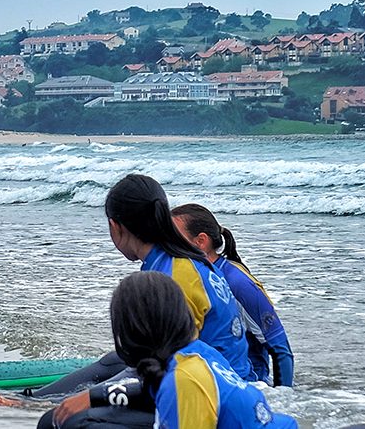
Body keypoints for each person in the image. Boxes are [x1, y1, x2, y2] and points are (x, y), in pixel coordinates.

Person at [29, 174, 251, 397]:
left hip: (214, 389)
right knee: (113, 361)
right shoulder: (178, 258)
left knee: (68, 419)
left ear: (115, 227)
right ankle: (35, 397)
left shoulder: (174, 275)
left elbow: (167, 370)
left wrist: (88, 399)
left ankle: (38, 402)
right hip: (224, 373)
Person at [44, 271, 299, 429]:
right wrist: (94, 396)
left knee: (77, 424)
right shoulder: (197, 352)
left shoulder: (184, 380)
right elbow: (147, 391)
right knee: (54, 420)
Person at [173, 204, 295, 387]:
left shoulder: (237, 283)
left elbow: (281, 350)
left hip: (247, 387)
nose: (165, 242)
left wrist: (283, 401)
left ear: (201, 241)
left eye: (173, 236)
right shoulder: (188, 277)